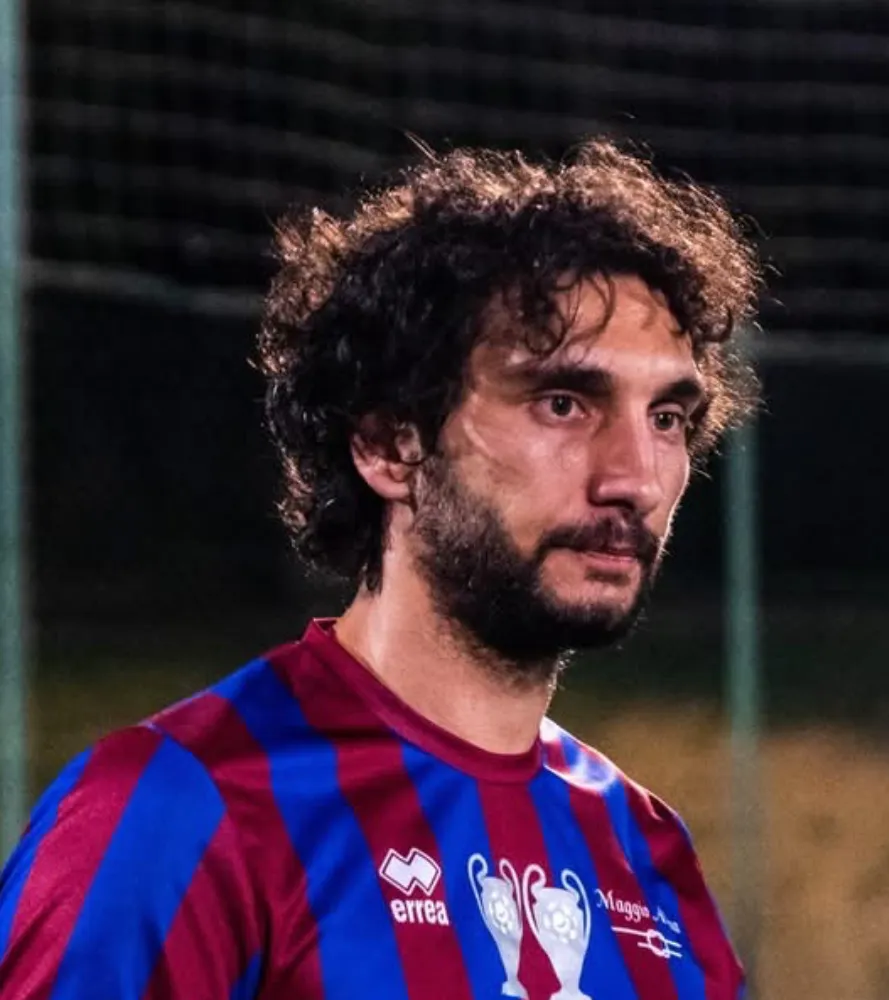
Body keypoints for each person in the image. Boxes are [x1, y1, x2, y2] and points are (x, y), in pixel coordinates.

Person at [0, 139, 760, 999]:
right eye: (563, 403)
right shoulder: (185, 810)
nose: (636, 478)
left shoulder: (647, 855)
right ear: (390, 447)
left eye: (666, 418)